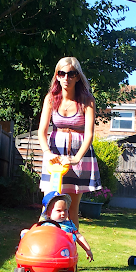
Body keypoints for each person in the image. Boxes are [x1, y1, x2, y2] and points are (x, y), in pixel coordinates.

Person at [38, 57, 102, 229]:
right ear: (57, 76)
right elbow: (42, 131)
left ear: (78, 77)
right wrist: (47, 152)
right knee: (49, 202)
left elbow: (89, 134)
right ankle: (44, 244)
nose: (66, 78)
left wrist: (76, 159)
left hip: (78, 157)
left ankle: (70, 244)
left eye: (71, 74)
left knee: (71, 207)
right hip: (54, 158)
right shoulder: (51, 99)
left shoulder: (87, 100)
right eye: (62, 73)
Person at [21, 191, 93, 272]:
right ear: (48, 213)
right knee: (31, 259)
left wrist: (88, 249)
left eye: (65, 210)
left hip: (59, 254)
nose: (63, 213)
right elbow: (35, 235)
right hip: (41, 252)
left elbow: (79, 236)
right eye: (59, 210)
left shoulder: (69, 225)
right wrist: (27, 233)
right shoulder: (43, 224)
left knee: (59, 266)